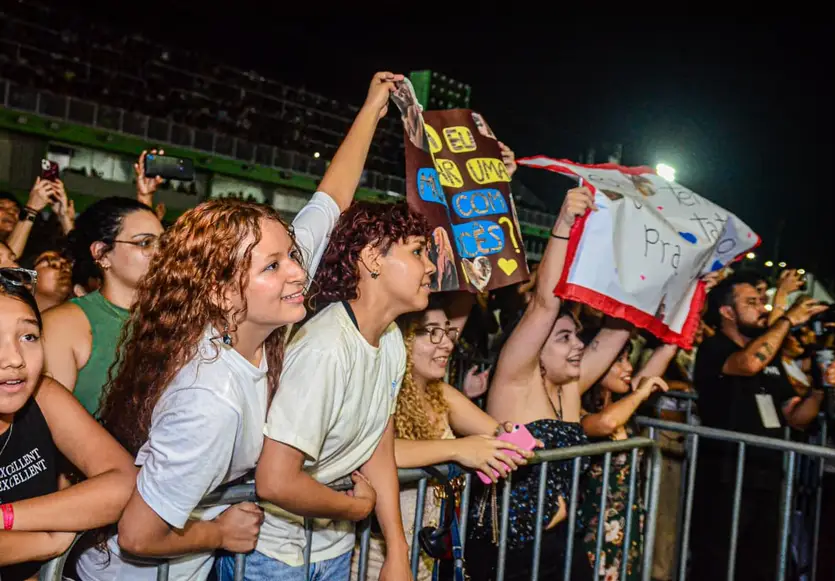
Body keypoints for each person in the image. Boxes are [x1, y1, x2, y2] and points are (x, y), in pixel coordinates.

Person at [76, 71, 400, 581]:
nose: (298, 272)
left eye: (291, 255)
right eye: (274, 265)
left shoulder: (255, 313)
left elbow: (330, 200)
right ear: (222, 292)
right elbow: (138, 535)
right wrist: (220, 533)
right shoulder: (210, 397)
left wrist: (372, 109)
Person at [225, 196, 432, 581]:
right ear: (372, 258)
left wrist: (397, 550)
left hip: (333, 547)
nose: (431, 266)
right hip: (272, 555)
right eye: (418, 251)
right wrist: (355, 508)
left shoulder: (390, 340)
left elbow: (377, 447)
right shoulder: (327, 349)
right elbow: (275, 481)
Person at [466, 187, 634, 580]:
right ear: (533, 348)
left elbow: (618, 330)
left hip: (560, 543)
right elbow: (545, 303)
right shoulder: (513, 381)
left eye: (577, 336)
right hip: (509, 551)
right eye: (563, 338)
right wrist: (563, 224)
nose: (579, 345)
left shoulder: (570, 386)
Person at [351, 294, 533, 581]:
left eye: (448, 332)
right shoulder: (380, 391)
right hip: (375, 561)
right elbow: (378, 451)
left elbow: (496, 433)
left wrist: (508, 434)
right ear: (401, 338)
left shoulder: (441, 393)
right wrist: (457, 449)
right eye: (431, 333)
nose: (447, 343)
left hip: (426, 557)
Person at [691, 274, 835, 581]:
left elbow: (795, 416)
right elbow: (748, 364)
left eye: (762, 302)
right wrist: (786, 320)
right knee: (717, 564)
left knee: (760, 566)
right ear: (727, 312)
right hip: (726, 476)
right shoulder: (714, 349)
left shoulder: (771, 359)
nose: (762, 308)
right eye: (751, 302)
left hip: (768, 475)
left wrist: (818, 391)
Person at [0, 269, 136, 581]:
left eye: (28, 337)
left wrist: (6, 517)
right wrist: (47, 541)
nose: (15, 359)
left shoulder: (43, 396)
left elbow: (125, 483)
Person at [41, 197, 163, 415]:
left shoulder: (171, 318)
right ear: (102, 253)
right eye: (145, 243)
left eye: (164, 244)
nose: (160, 253)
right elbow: (52, 422)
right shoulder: (63, 325)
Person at [577, 331, 673, 581]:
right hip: (592, 525)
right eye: (618, 360)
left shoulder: (622, 401)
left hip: (626, 520)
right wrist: (640, 394)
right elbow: (606, 423)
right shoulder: (575, 407)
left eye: (628, 358)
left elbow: (664, 354)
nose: (629, 367)